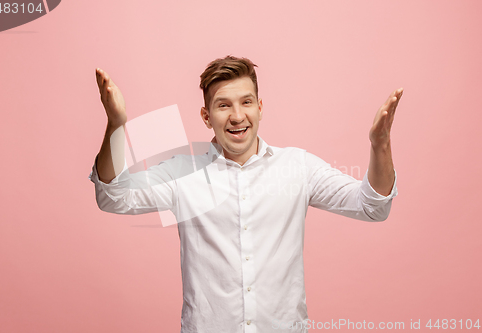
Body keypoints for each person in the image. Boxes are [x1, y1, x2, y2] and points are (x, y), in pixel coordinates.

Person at [88, 56, 403, 333]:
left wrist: (380, 145)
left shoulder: (298, 166)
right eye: (223, 105)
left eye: (246, 102)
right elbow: (113, 197)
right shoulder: (182, 171)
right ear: (206, 116)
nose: (237, 116)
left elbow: (372, 206)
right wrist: (116, 124)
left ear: (260, 107)